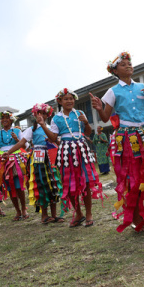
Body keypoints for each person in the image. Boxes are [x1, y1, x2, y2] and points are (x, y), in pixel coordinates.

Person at [90, 51, 144, 232]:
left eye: (129, 63)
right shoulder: (112, 91)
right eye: (123, 64)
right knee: (132, 179)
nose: (128, 65)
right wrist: (98, 108)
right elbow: (105, 119)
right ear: (115, 71)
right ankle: (137, 219)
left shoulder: (142, 87)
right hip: (126, 139)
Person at [38, 89, 102, 228]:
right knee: (69, 183)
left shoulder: (80, 114)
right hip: (66, 151)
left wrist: (86, 123)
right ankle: (78, 213)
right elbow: (54, 138)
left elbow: (88, 133)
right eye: (66, 99)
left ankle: (89, 213)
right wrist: (43, 125)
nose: (69, 101)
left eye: (71, 98)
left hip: (81, 149)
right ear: (60, 101)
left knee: (85, 181)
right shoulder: (56, 118)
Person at [4, 103, 63, 224]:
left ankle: (54, 214)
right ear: (35, 115)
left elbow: (56, 140)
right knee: (41, 185)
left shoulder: (51, 128)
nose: (40, 115)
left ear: (47, 115)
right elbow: (22, 143)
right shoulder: (31, 129)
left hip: (50, 157)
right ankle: (44, 215)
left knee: (53, 184)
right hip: (37, 158)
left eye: (43, 113)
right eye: (38, 113)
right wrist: (9, 152)